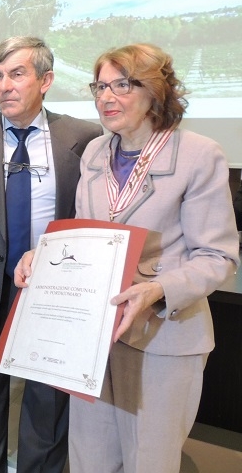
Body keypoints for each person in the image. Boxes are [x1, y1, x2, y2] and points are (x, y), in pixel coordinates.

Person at [16, 43, 239, 473]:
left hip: (164, 338)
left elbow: (217, 256)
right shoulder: (97, 153)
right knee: (90, 458)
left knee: (148, 461)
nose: (105, 97)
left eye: (122, 84)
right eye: (99, 86)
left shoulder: (199, 154)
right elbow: (84, 235)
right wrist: (40, 256)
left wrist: (156, 290)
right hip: (96, 337)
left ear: (155, 91)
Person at [0, 36, 102, 473]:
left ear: (46, 80)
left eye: (17, 74)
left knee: (47, 403)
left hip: (54, 291)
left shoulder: (83, 137)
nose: (4, 86)